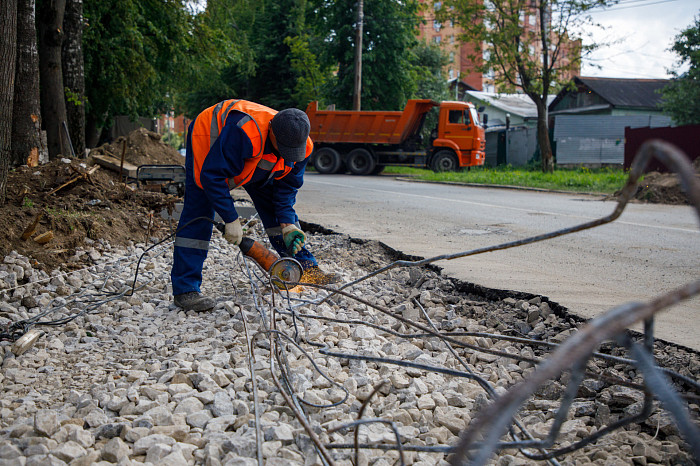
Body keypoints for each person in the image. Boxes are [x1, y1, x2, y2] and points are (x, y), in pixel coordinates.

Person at [171, 99, 336, 312]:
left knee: (277, 214)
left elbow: (286, 191)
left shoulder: (301, 146)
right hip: (209, 141)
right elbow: (212, 176)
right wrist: (230, 218)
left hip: (253, 160)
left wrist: (288, 224)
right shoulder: (244, 132)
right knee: (199, 210)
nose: (290, 156)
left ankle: (306, 268)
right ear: (273, 134)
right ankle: (186, 290)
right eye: (284, 149)